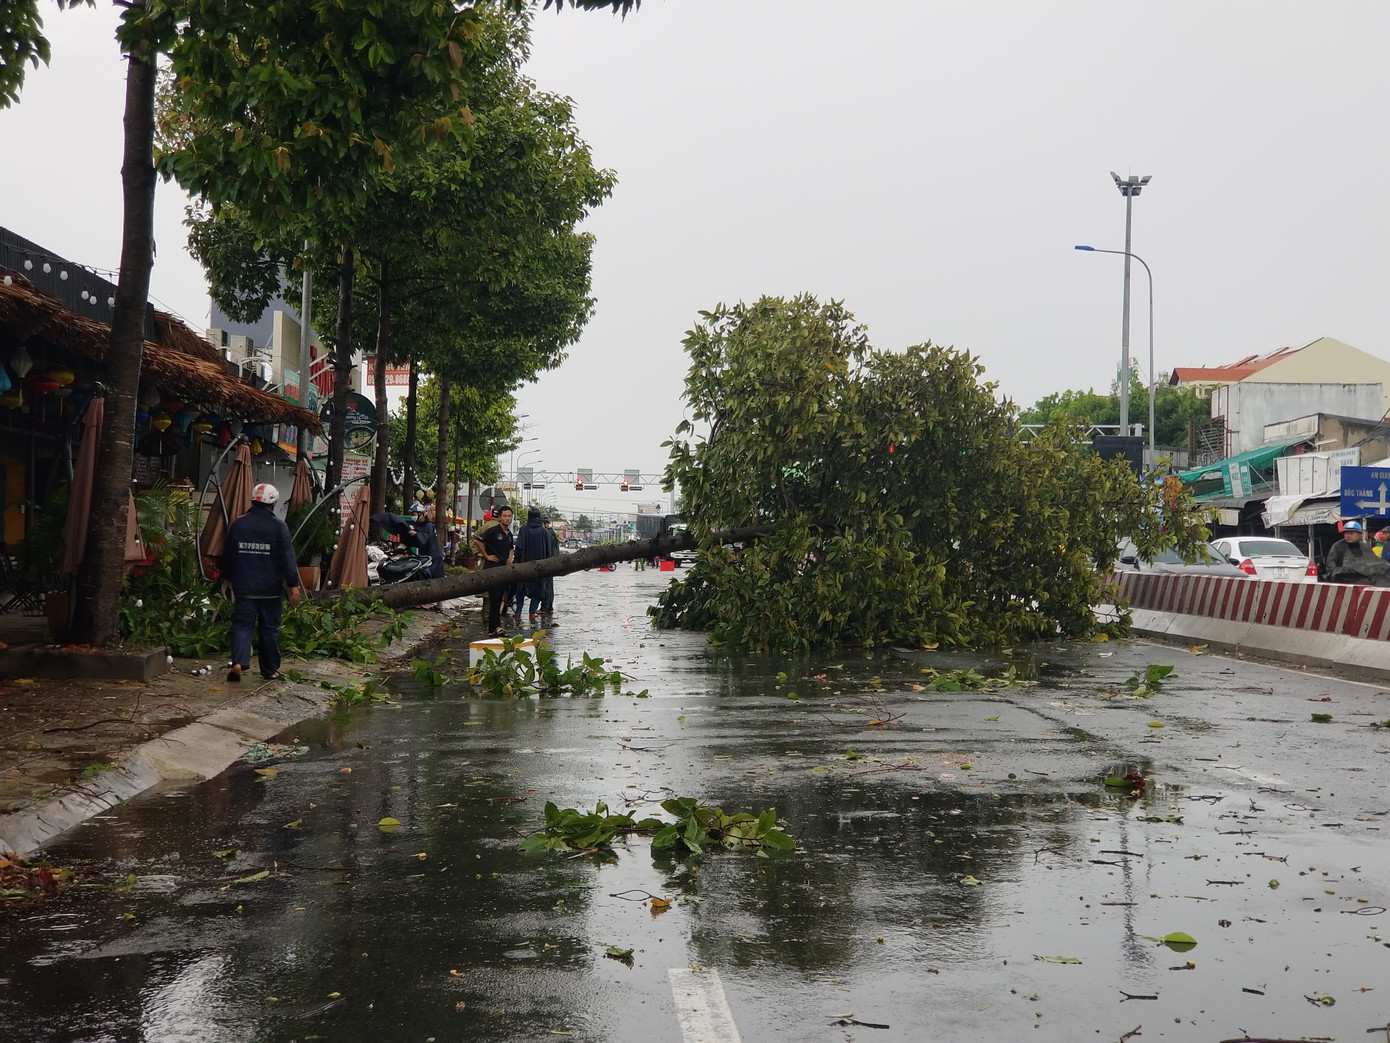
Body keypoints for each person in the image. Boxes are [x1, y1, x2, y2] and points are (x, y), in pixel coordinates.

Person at [222, 482, 302, 682]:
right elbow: (287, 559)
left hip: (244, 588)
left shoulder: (239, 524)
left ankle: (238, 662)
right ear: (273, 502)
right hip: (270, 590)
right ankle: (269, 670)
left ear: (252, 501)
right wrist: (293, 586)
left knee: (242, 626)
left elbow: (228, 555)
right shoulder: (278, 527)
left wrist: (229, 577)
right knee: (269, 630)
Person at [473, 504, 514, 635]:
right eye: (505, 516)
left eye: (509, 516)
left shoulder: (509, 534)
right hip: (492, 568)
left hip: (504, 569)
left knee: (500, 597)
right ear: (500, 518)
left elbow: (510, 549)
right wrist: (486, 556)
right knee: (494, 599)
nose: (507, 519)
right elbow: (478, 541)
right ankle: (494, 627)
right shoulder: (493, 531)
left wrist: (509, 559)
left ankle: (495, 627)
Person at [513, 508, 553, 623]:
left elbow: (519, 548)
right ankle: (532, 613)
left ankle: (518, 612)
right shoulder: (544, 532)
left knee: (520, 590)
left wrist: (516, 562)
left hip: (524, 566)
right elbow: (548, 551)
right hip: (540, 568)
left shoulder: (523, 530)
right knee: (538, 590)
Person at [1325, 521, 1390, 584]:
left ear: (1360, 534)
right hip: (1343, 583)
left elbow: (1374, 562)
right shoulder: (1338, 547)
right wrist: (1345, 571)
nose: (1348, 536)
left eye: (1351, 533)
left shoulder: (1365, 547)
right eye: (1346, 533)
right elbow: (1331, 568)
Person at [404, 502, 445, 580]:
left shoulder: (428, 526)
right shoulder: (420, 526)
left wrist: (416, 534)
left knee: (435, 580)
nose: (413, 516)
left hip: (433, 558)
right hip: (425, 557)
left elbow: (424, 539)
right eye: (412, 514)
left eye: (414, 514)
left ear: (421, 514)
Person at [540, 517, 559, 616]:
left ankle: (546, 607)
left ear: (545, 524)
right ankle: (548, 606)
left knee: (547, 585)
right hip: (552, 562)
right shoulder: (552, 533)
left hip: (548, 563)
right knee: (549, 585)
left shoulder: (547, 533)